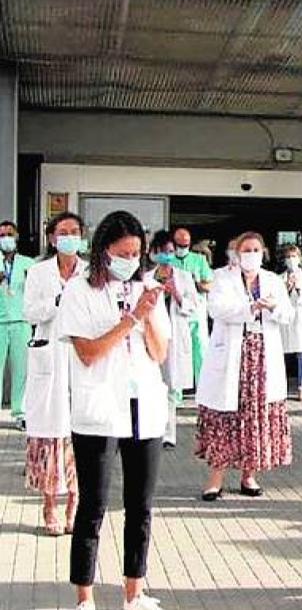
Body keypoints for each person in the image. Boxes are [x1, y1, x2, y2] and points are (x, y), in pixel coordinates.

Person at [59, 210, 170, 610]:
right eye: (123, 253)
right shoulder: (79, 291)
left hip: (144, 407)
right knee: (93, 506)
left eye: (137, 253)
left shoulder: (147, 287)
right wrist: (131, 320)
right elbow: (87, 353)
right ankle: (84, 598)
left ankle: (134, 591)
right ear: (104, 251)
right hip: (99, 410)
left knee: (141, 507)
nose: (131, 260)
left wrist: (150, 316)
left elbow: (159, 353)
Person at [197, 232, 294, 500]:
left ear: (263, 252)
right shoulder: (222, 277)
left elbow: (288, 315)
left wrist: (272, 307)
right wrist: (250, 308)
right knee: (226, 417)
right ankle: (215, 479)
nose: (251, 254)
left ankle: (249, 476)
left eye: (255, 249)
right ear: (237, 253)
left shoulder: (273, 280)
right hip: (232, 356)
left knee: (255, 416)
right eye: (246, 249)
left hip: (263, 357)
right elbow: (216, 309)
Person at [23, 212, 87, 536]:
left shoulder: (92, 272)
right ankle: (49, 505)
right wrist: (58, 300)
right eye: (63, 232)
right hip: (49, 357)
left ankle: (75, 506)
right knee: (50, 437)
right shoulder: (37, 272)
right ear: (52, 239)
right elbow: (29, 312)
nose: (69, 237)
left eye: (75, 232)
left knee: (80, 438)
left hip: (81, 359)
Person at [146, 231, 201, 449]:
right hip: (151, 336)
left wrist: (176, 293)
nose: (166, 256)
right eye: (162, 252)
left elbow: (193, 306)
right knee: (149, 383)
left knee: (170, 387)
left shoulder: (183, 276)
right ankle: (150, 429)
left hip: (173, 337)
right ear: (153, 253)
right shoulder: (145, 277)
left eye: (170, 251)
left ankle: (169, 434)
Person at [0, 219, 36, 430]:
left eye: (9, 234)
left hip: (21, 322)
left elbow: (37, 290)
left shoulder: (27, 263)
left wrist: (29, 279)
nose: (6, 239)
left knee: (21, 370)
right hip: (0, 322)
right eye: (2, 235)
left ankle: (20, 412)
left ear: (17, 237)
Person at [170, 227, 213, 386]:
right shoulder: (168, 261)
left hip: (196, 311)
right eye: (179, 245)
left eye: (185, 245)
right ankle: (177, 390)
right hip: (176, 312)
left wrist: (196, 283)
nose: (182, 249)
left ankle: (203, 388)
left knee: (200, 349)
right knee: (177, 350)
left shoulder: (199, 260)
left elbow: (209, 285)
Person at [280, 244, 302, 403]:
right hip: (286, 319)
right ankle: (282, 386)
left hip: (300, 316)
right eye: (288, 257)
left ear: (299, 259)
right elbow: (279, 300)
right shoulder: (279, 278)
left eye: (293, 257)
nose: (291, 260)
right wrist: (287, 288)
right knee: (283, 354)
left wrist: (298, 288)